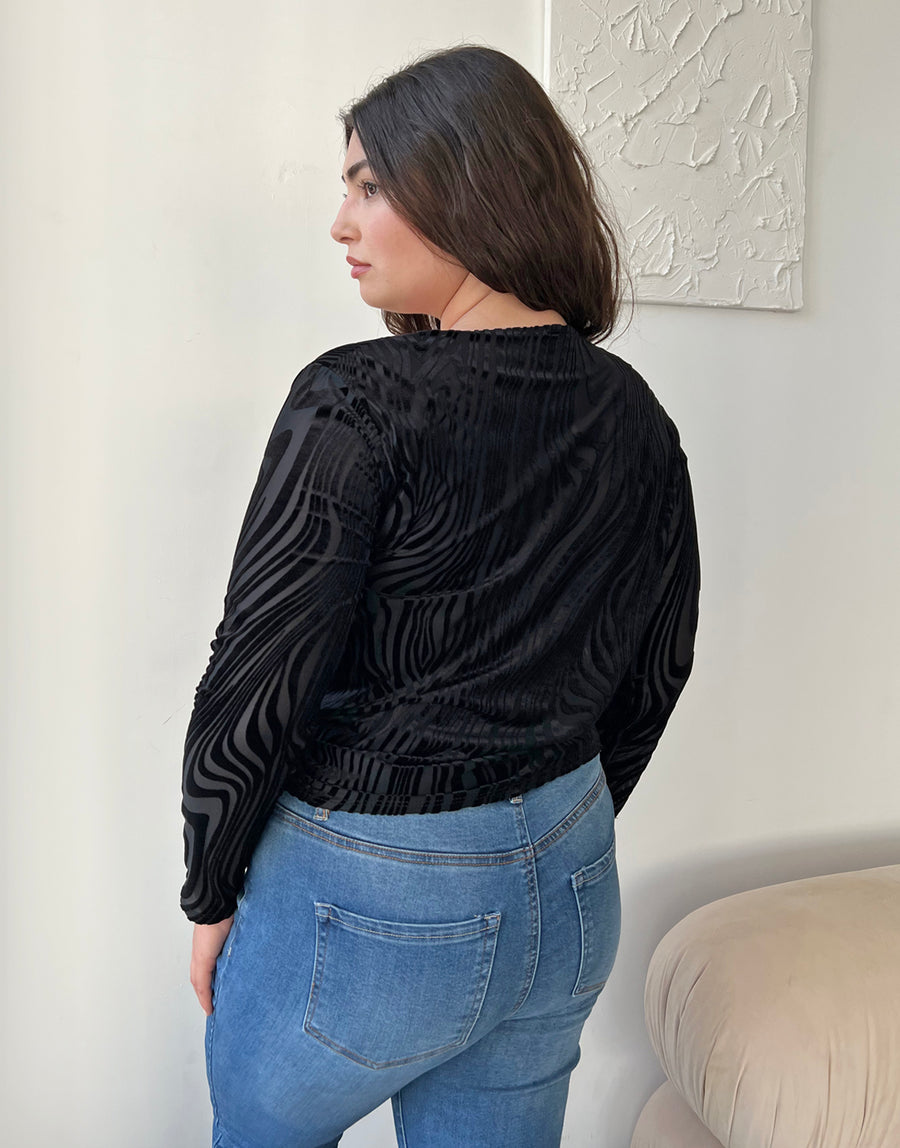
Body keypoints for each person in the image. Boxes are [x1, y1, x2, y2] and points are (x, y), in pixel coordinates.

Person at [181, 42, 700, 1148]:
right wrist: (543, 830)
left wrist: (210, 886)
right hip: (571, 876)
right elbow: (659, 662)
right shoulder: (636, 413)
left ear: (468, 184)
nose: (342, 222)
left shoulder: (354, 398)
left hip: (371, 901)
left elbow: (261, 669)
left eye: (370, 184)